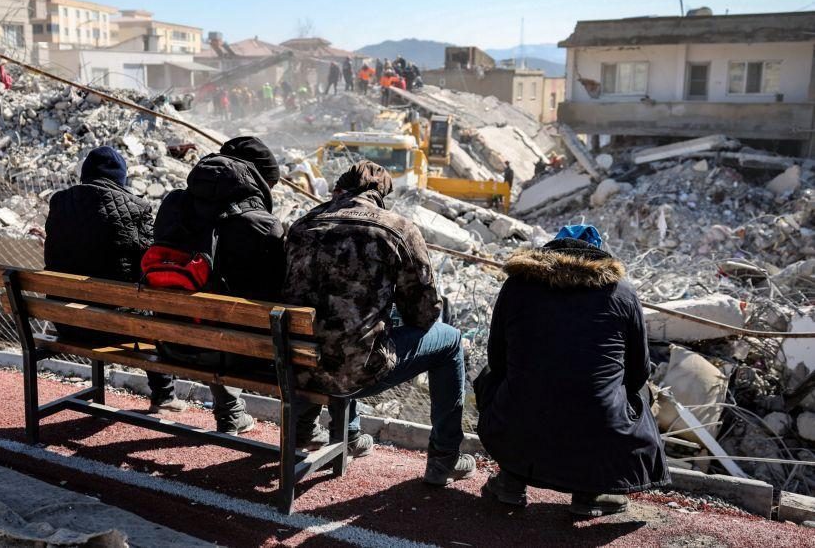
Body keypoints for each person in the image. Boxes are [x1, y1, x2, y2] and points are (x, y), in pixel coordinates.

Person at [285, 161, 476, 485]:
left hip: (294, 364)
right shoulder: (396, 229)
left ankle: (340, 431)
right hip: (356, 369)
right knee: (450, 341)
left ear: (339, 190)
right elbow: (425, 313)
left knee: (340, 325)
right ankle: (445, 459)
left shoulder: (304, 224)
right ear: (380, 195)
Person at [476, 225, 669, 516]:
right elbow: (638, 372)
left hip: (521, 415)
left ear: (551, 249)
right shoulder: (623, 293)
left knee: (494, 377)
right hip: (597, 424)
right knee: (635, 392)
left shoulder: (517, 284)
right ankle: (590, 492)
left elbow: (497, 356)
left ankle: (511, 479)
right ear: (600, 255)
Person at [151, 136, 286, 434]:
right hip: (242, 356)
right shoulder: (262, 225)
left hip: (168, 341)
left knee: (215, 312)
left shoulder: (173, 204)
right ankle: (306, 430)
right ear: (259, 180)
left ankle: (231, 411)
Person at [44, 146, 185, 412]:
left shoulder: (59, 202)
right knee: (150, 314)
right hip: (116, 326)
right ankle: (164, 396)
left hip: (66, 320)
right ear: (121, 178)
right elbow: (148, 264)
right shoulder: (136, 208)